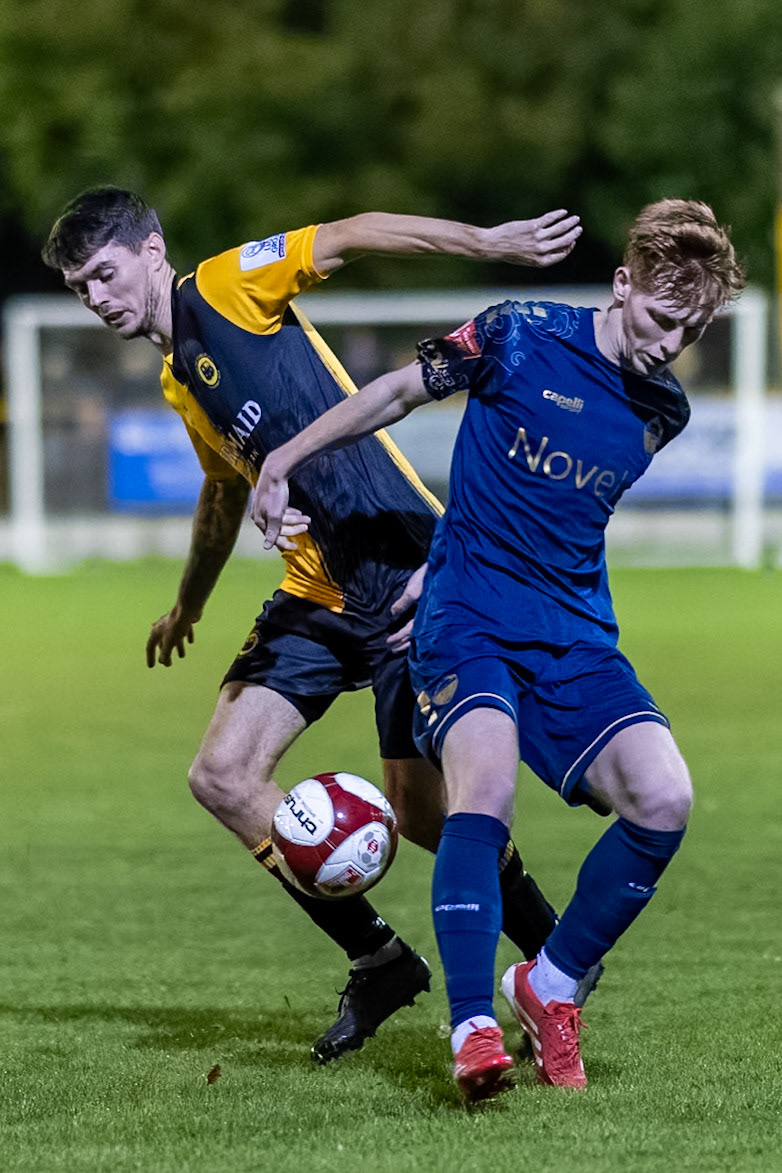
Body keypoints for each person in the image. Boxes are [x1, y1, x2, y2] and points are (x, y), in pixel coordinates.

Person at [42, 187, 585, 1065]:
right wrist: (189, 602)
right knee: (222, 774)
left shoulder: (225, 287)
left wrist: (489, 241)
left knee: (423, 814)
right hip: (318, 596)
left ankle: (556, 960)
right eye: (79, 288)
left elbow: (352, 232)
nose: (96, 297)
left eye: (104, 274)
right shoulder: (179, 380)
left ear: (152, 250)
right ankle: (379, 959)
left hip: (402, 571)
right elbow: (223, 492)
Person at [251, 198, 746, 1099]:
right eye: (661, 317)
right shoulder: (518, 334)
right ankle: (473, 1026)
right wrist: (285, 457)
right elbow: (396, 393)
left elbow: (555, 518)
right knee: (485, 787)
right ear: (622, 284)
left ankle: (548, 984)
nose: (672, 342)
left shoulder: (662, 410)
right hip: (467, 616)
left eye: (693, 329)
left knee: (665, 796)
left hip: (575, 633)